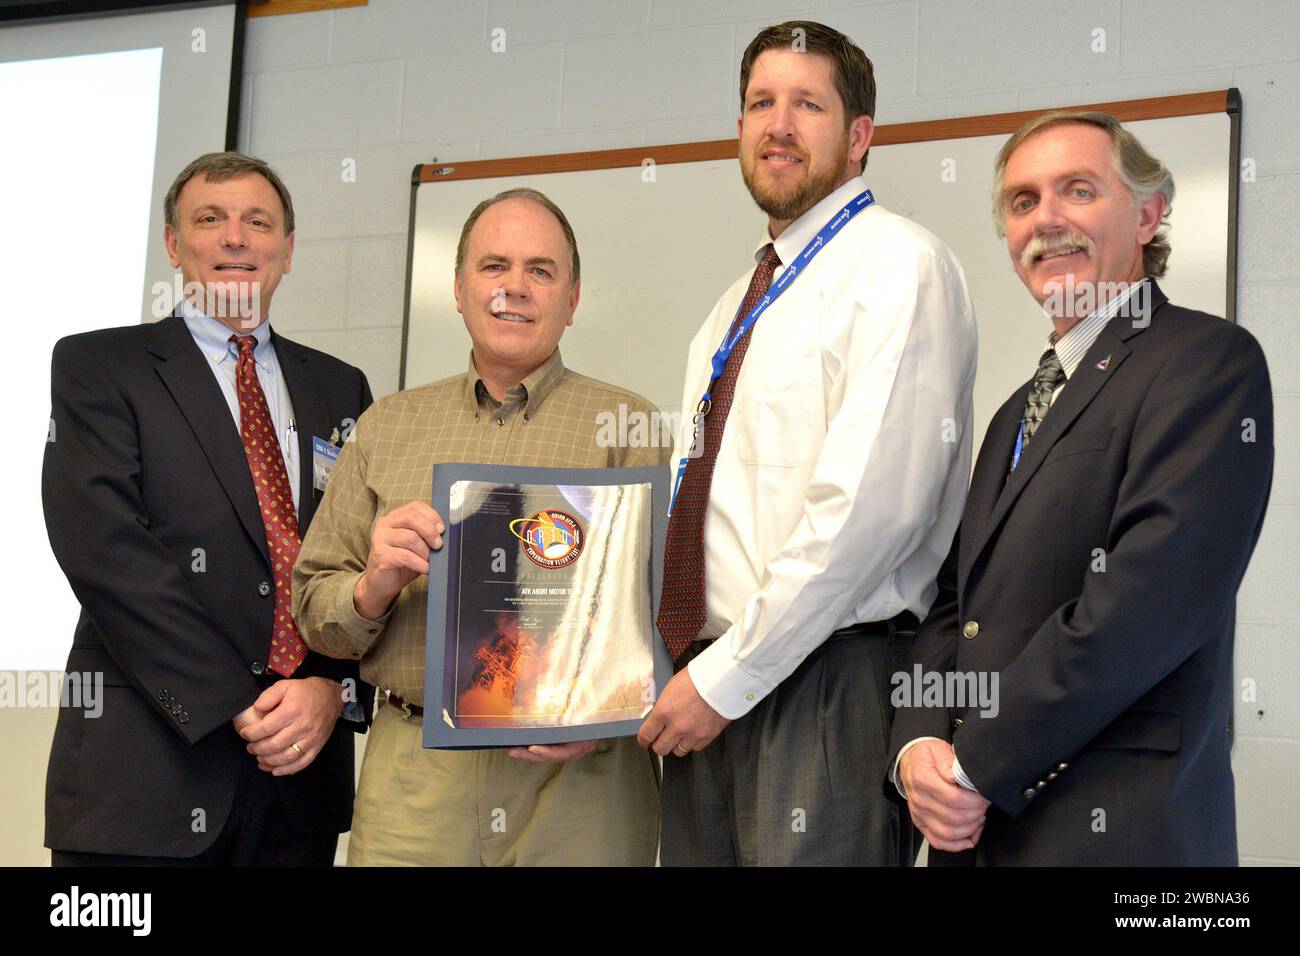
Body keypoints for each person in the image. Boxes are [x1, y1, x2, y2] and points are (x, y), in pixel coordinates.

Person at [888, 111, 1274, 865]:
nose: (1048, 219)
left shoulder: (1206, 363)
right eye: (1023, 201)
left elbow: (1143, 605)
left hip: (1118, 835)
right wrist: (920, 747)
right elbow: (952, 606)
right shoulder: (1012, 414)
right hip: (975, 832)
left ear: (1149, 213)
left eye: (1078, 190)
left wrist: (975, 764)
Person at [638, 20, 978, 866]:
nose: (777, 124)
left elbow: (867, 516)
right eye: (760, 103)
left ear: (859, 136)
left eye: (807, 105)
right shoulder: (732, 305)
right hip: (709, 682)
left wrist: (723, 680)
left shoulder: (901, 267)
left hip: (827, 685)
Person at [292, 188, 663, 866]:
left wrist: (614, 715)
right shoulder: (386, 427)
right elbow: (317, 612)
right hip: (418, 778)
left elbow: (675, 617)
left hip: (584, 780)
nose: (515, 288)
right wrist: (373, 585)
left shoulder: (632, 429)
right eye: (494, 267)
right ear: (459, 288)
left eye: (540, 270)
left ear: (573, 299)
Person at [43, 152, 373, 865]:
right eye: (210, 219)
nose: (236, 238)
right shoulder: (100, 368)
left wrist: (332, 690)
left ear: (288, 249)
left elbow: (362, 562)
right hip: (147, 778)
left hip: (299, 783)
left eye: (259, 222)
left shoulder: (343, 388)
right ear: (173, 244)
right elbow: (103, 551)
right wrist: (234, 699)